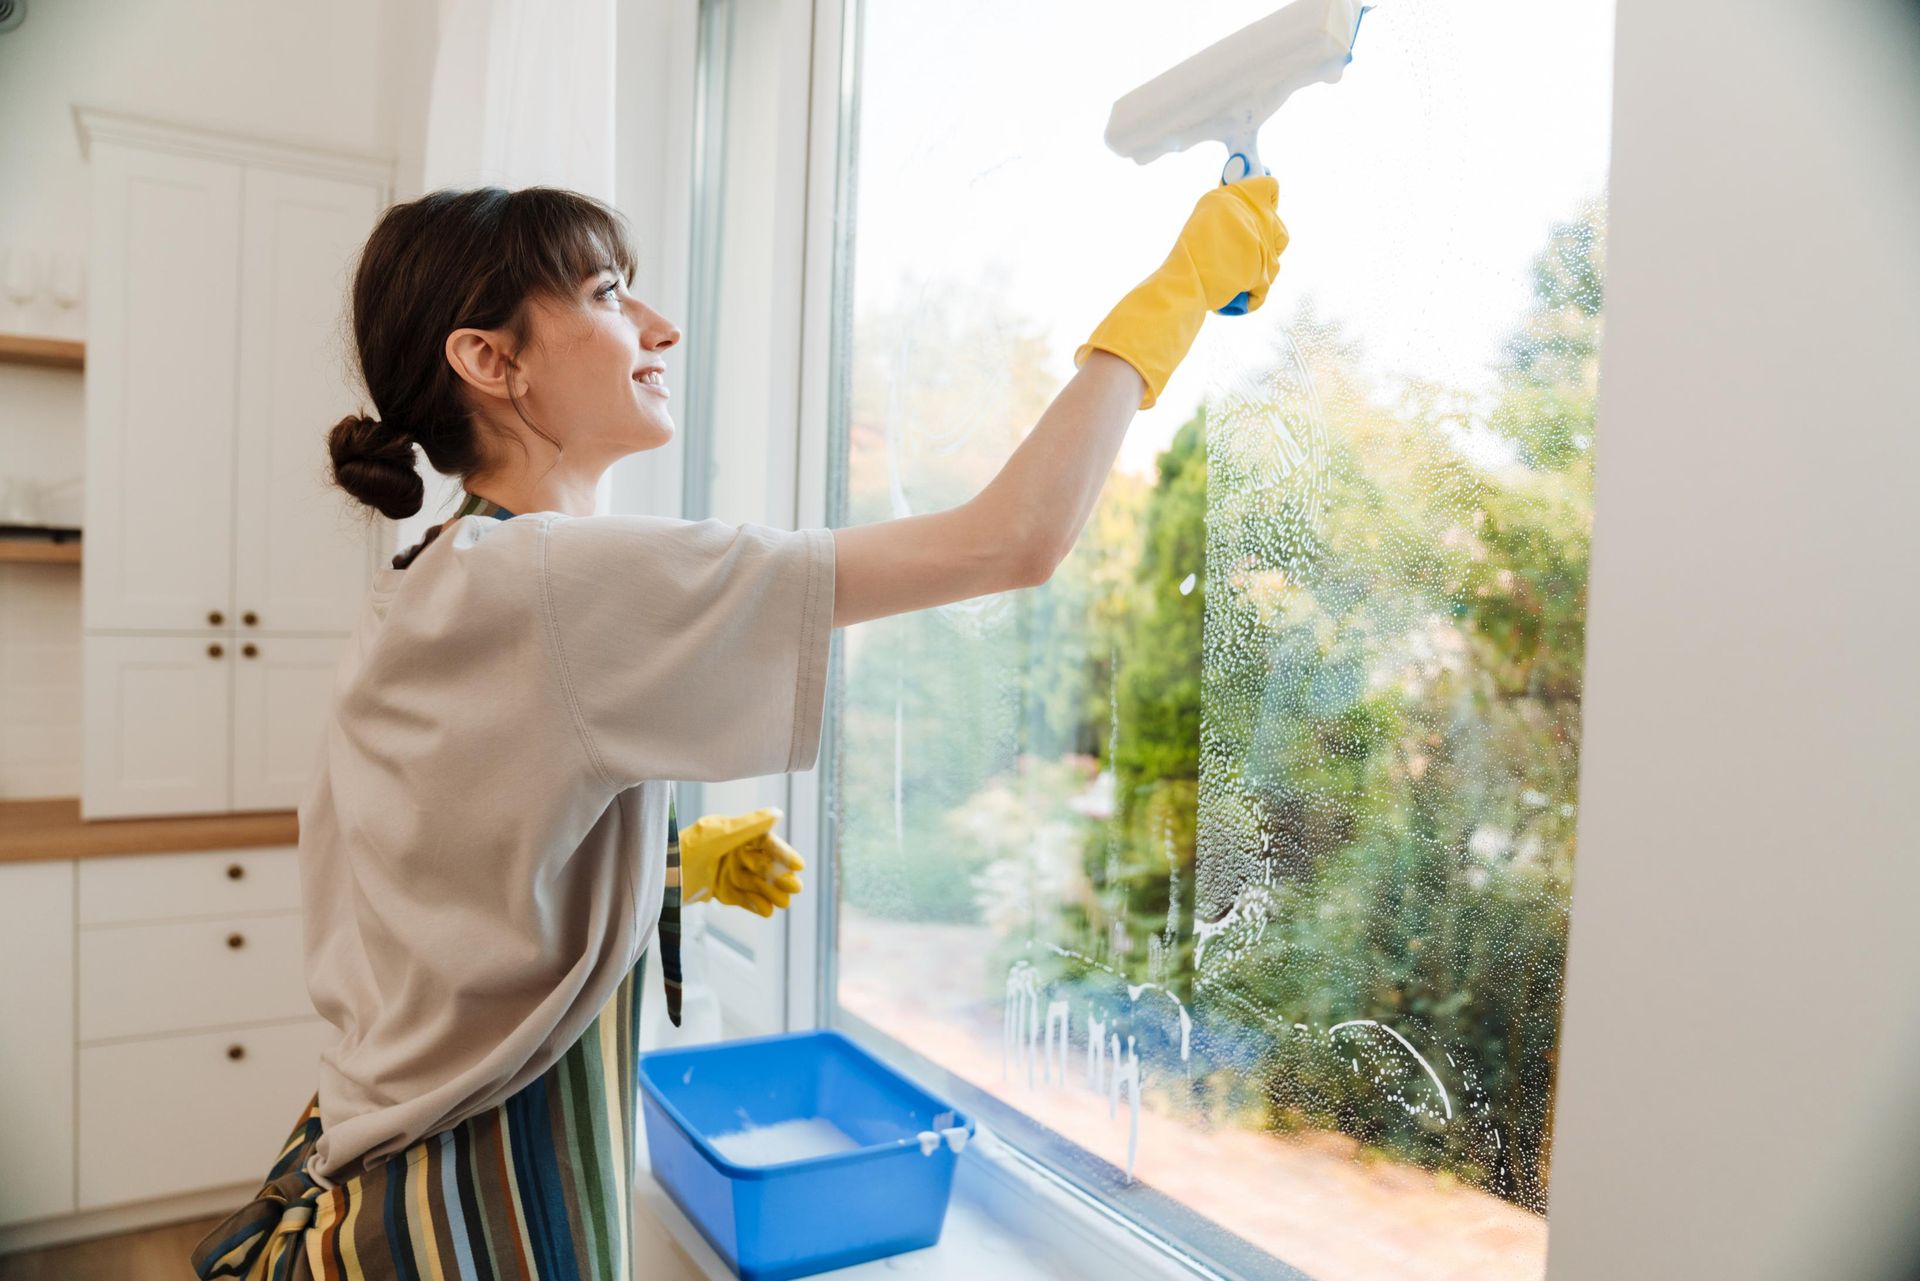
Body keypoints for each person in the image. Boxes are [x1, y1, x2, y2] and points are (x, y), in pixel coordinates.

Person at [189, 174, 1283, 1279]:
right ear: (491, 360)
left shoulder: (442, 570)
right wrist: (1172, 297)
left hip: (375, 1159)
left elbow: (429, 862)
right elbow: (1013, 540)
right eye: (612, 294)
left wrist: (671, 868)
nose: (659, 327)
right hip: (462, 1205)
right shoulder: (547, 579)